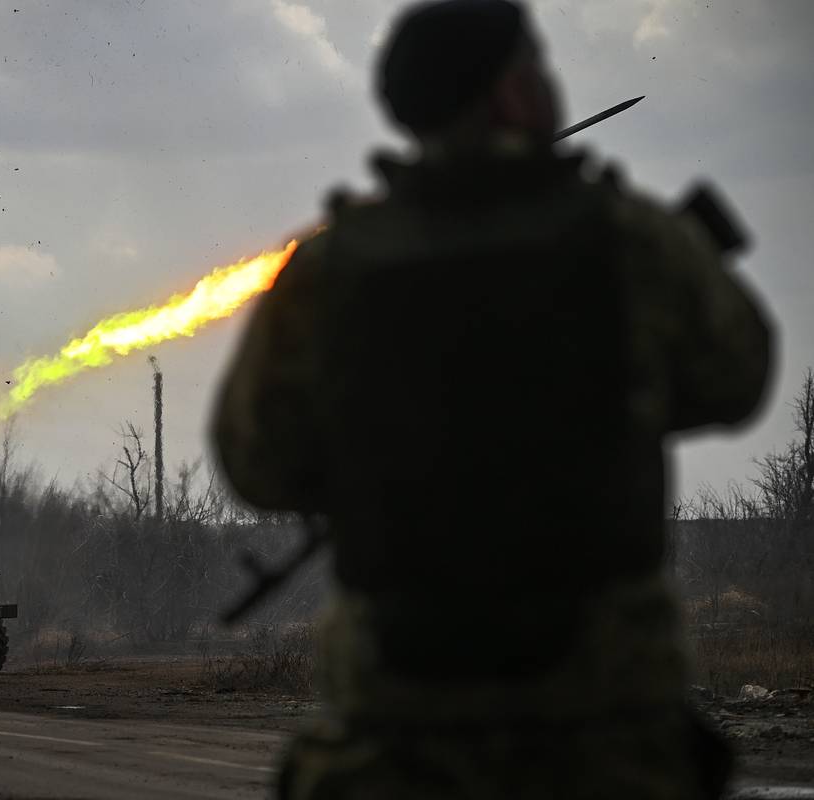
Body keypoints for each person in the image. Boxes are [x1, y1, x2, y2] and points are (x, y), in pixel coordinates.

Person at [210, 1, 772, 797]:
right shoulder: (630, 241)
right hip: (602, 729)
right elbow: (738, 376)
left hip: (398, 724)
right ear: (510, 93)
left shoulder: (327, 271)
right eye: (534, 64)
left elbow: (255, 462)